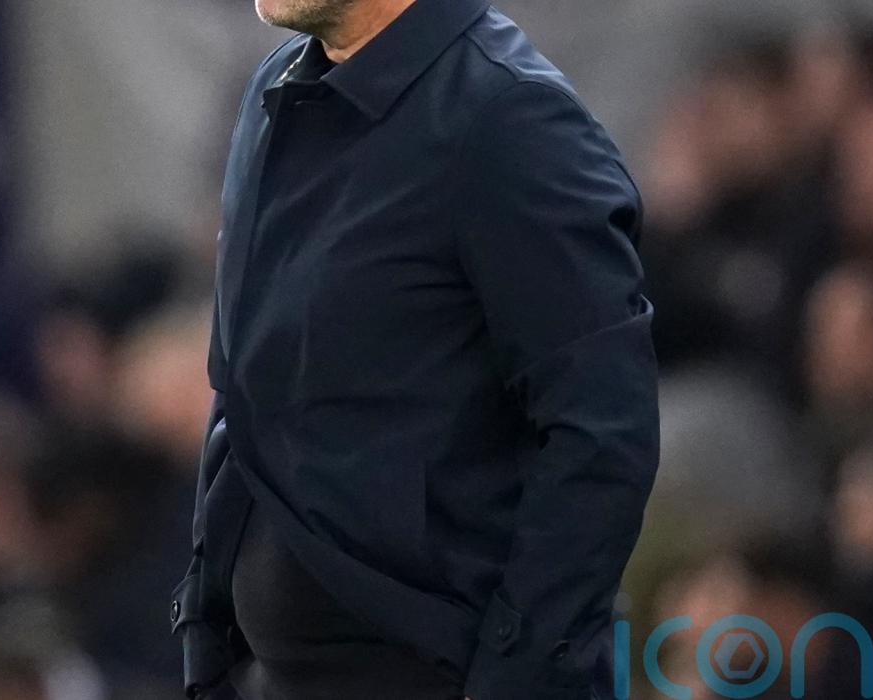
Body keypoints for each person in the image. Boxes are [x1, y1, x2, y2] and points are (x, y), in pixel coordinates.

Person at [170, 0, 660, 698]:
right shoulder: (273, 91)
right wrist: (204, 637)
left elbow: (604, 435)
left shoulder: (510, 118)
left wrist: (517, 679)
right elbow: (241, 395)